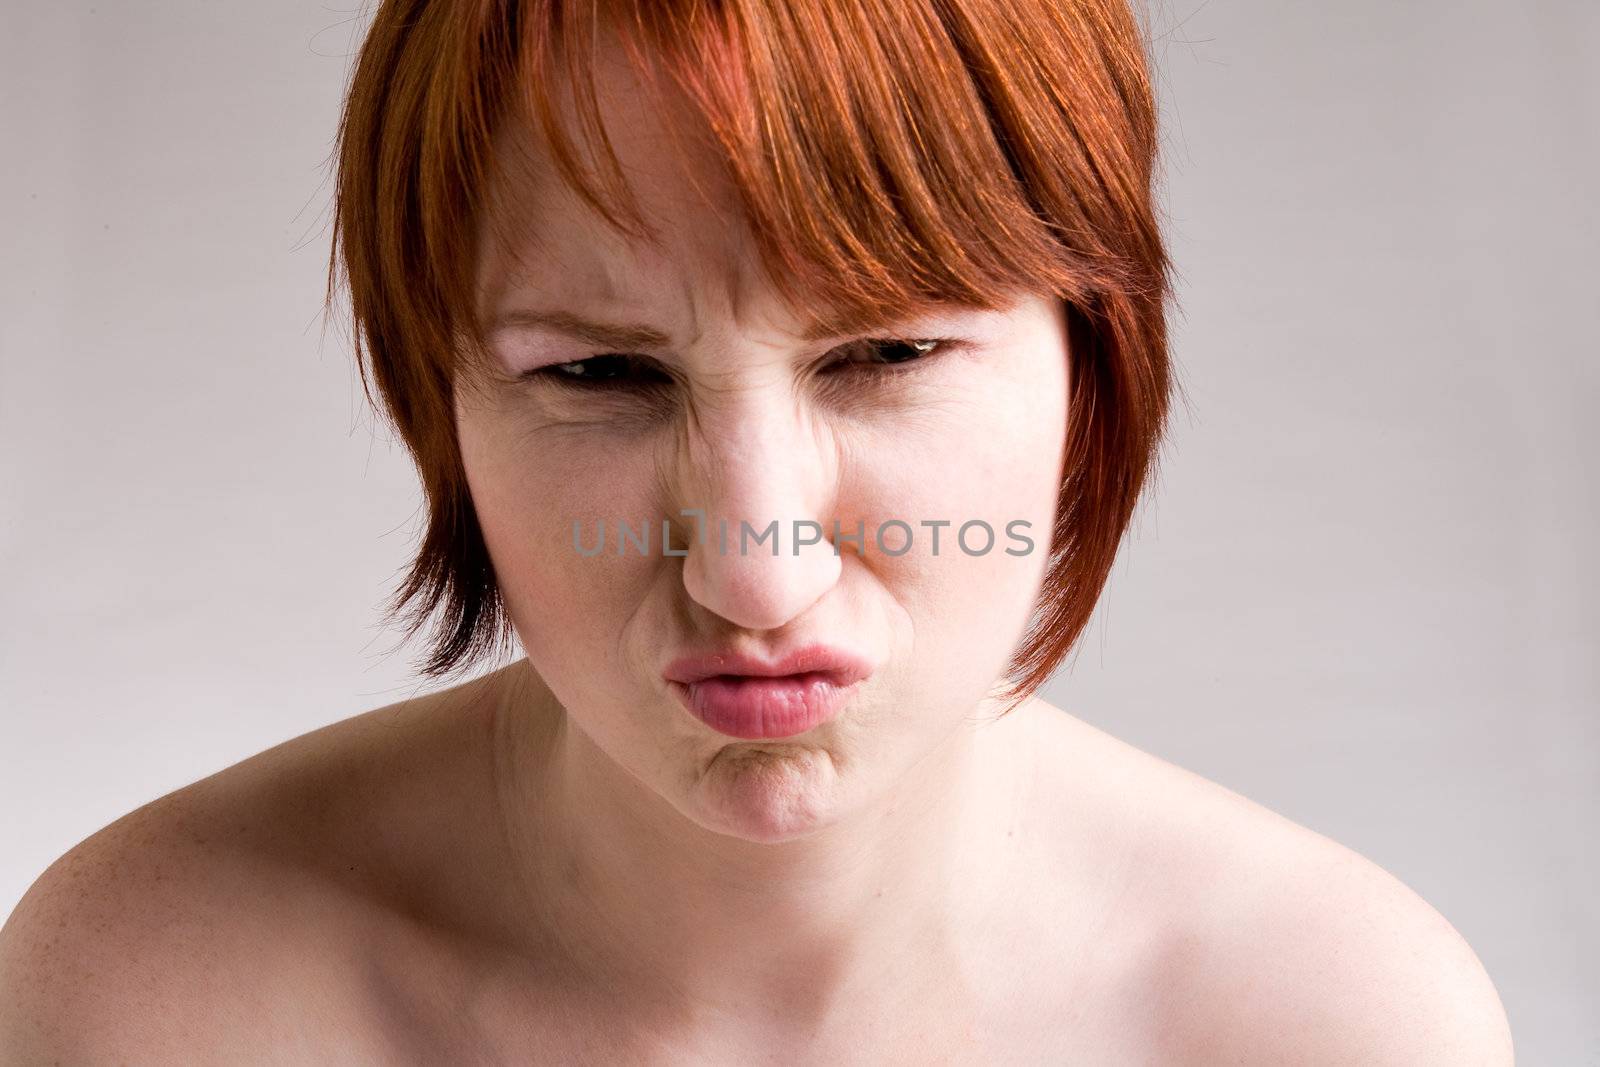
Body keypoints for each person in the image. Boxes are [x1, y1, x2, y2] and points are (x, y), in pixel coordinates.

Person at [0, 0, 1514, 1062]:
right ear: (438, 402)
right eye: (599, 374)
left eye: (887, 356)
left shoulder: (1329, 1026)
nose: (752, 569)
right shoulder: (153, 1000)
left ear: (1093, 361)